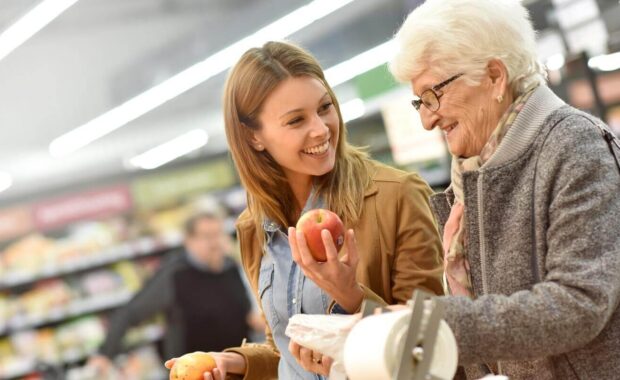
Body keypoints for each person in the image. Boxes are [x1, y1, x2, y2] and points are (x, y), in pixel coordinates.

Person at [165, 41, 444, 380]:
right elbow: (284, 347)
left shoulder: (396, 196)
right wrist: (237, 362)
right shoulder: (254, 226)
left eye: (325, 107)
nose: (321, 129)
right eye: (296, 120)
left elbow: (429, 344)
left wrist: (350, 294)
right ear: (254, 137)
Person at [386, 0, 620, 379]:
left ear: (494, 76)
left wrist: (434, 323)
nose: (427, 119)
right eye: (419, 102)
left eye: (433, 95)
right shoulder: (474, 177)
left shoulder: (574, 146)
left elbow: (580, 302)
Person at [88, 211, 261, 374]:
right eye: (207, 236)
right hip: (193, 372)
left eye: (218, 234)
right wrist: (104, 353)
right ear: (189, 241)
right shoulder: (175, 275)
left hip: (236, 368)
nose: (215, 242)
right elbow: (130, 313)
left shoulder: (230, 267)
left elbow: (246, 312)